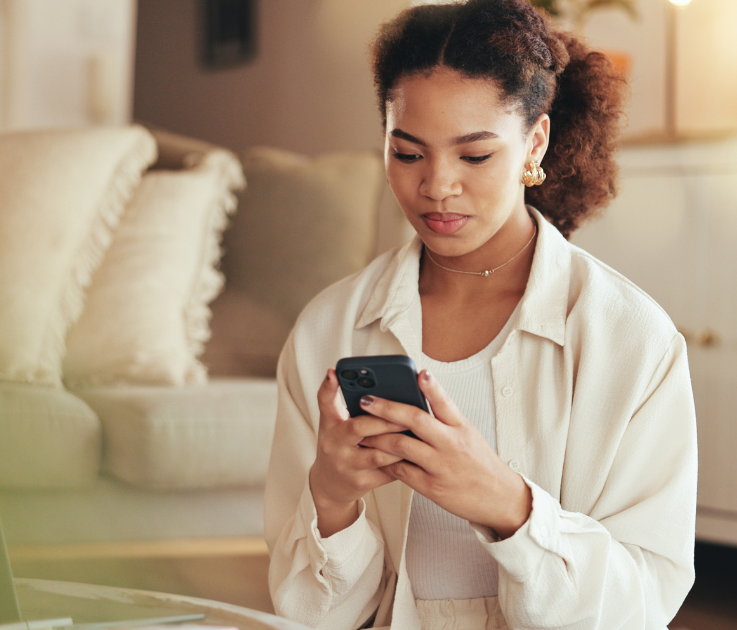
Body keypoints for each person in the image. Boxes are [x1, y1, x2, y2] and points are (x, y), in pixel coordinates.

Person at [264, 1, 697, 628]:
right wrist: (331, 500)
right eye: (408, 153)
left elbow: (641, 607)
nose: (438, 186)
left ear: (535, 143)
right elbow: (314, 617)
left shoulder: (631, 340)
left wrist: (507, 505)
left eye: (474, 157)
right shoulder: (327, 331)